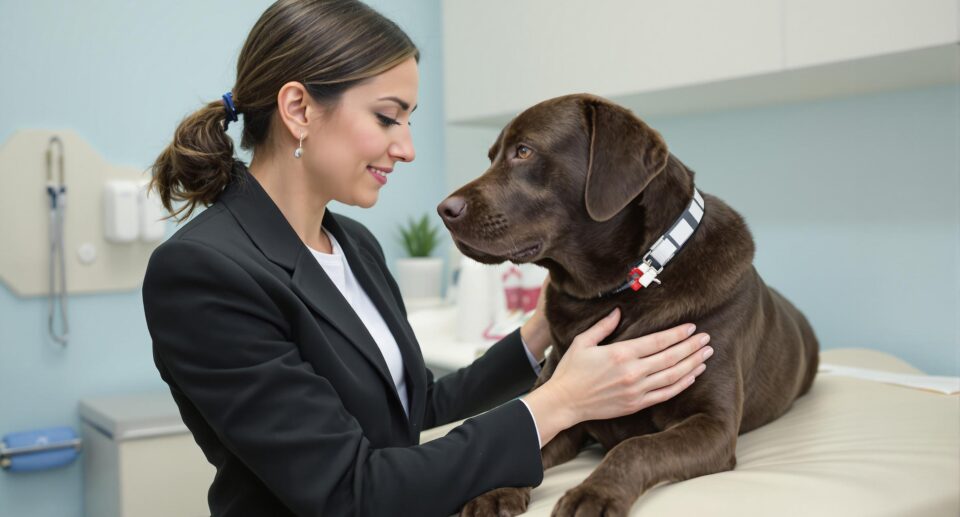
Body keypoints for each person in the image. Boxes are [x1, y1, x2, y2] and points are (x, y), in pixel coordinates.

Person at [142, 1, 713, 516]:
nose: (407, 147)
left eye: (409, 121)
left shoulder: (354, 247)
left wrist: (537, 336)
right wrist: (560, 403)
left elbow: (409, 410)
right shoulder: (203, 273)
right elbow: (349, 491)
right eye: (388, 118)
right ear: (299, 109)